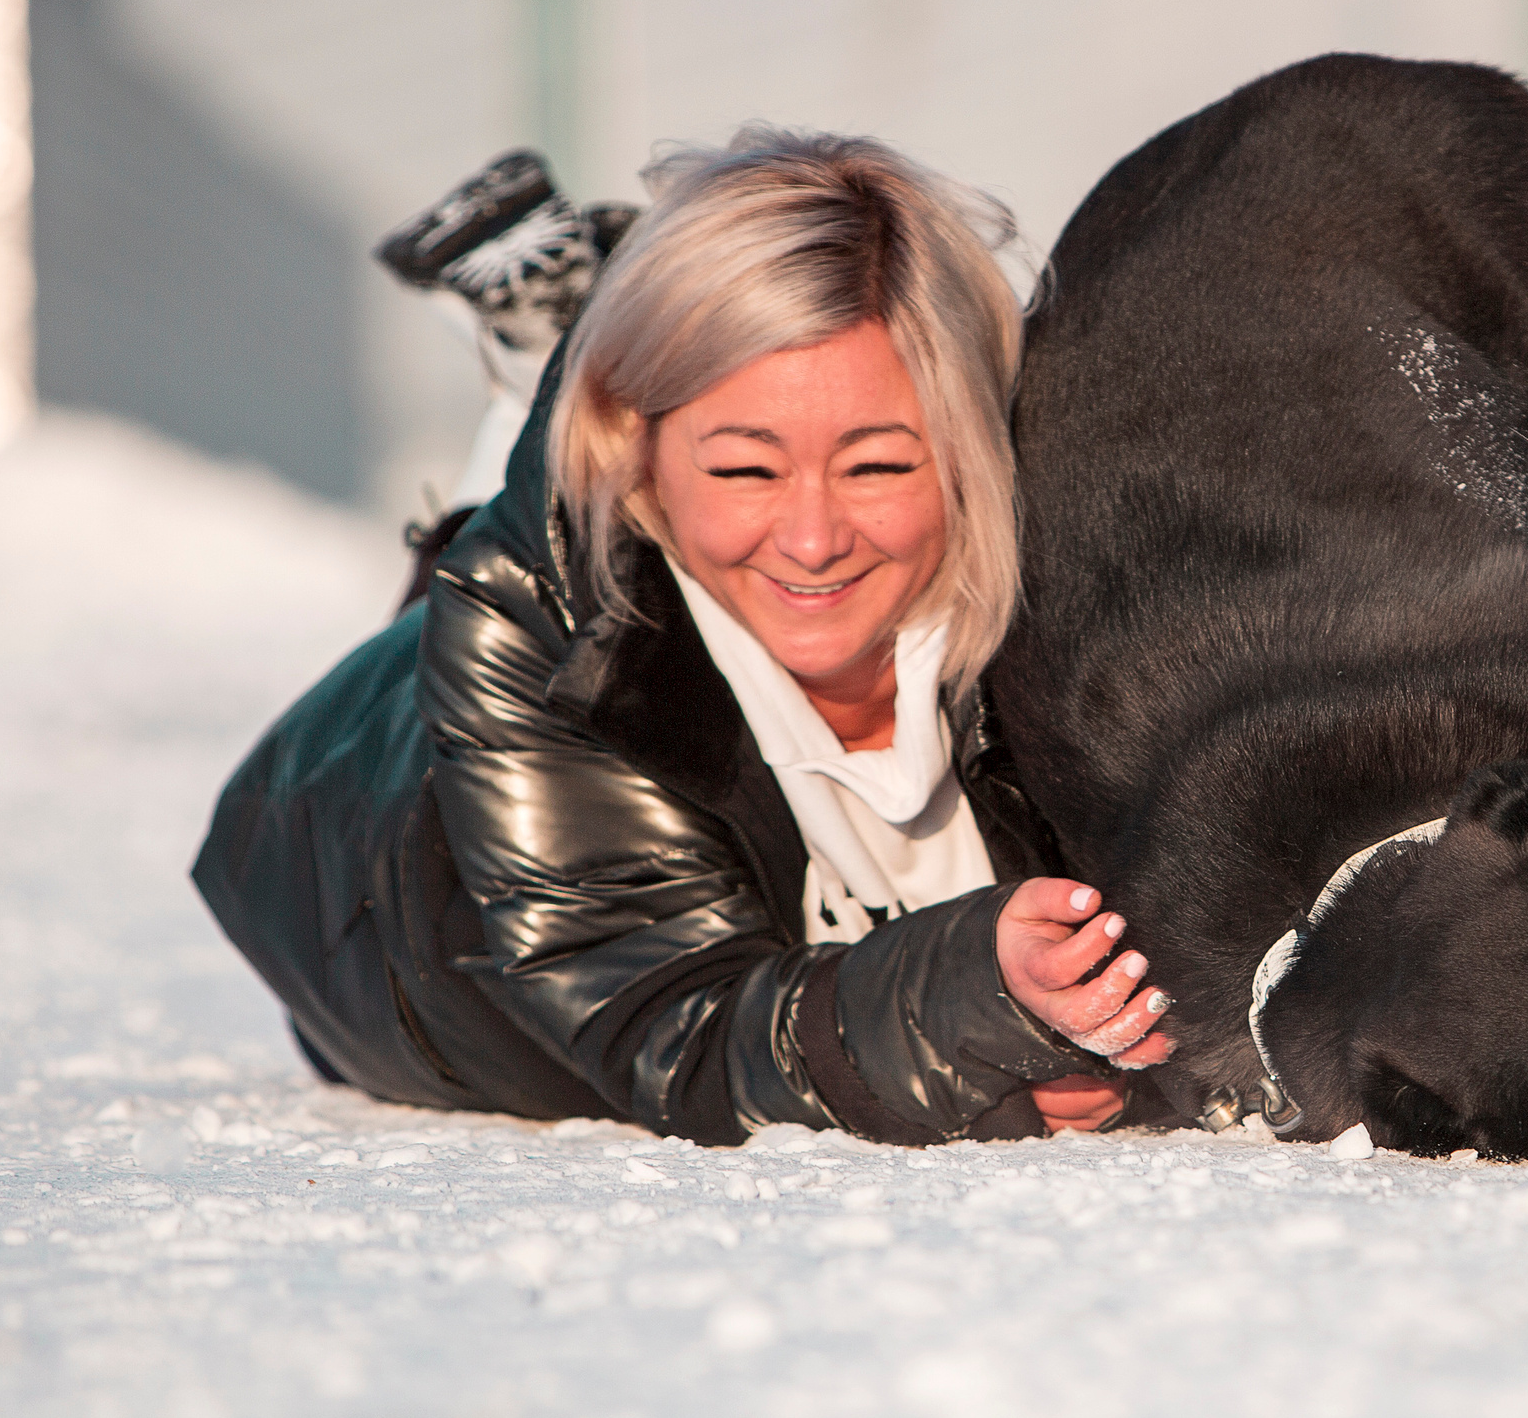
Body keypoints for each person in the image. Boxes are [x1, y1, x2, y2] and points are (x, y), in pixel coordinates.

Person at [193, 128, 1170, 1144]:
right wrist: (978, 1013)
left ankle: (582, 343)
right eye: (747, 470)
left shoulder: (1054, 556)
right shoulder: (528, 631)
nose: (814, 538)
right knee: (489, 568)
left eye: (877, 467)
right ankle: (545, 376)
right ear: (640, 454)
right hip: (373, 882)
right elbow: (676, 1029)